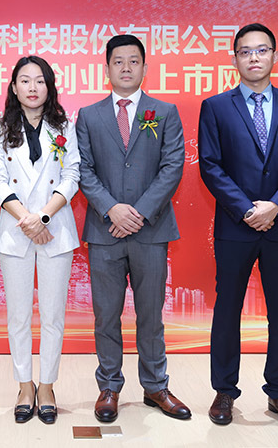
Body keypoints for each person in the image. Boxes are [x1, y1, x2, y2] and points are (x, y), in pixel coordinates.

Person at [198, 23, 278, 430]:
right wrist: (248, 209)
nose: (254, 57)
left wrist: (276, 206)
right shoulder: (216, 107)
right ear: (234, 59)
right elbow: (210, 165)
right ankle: (224, 392)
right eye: (245, 51)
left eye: (262, 50)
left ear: (275, 56)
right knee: (227, 311)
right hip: (236, 226)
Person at [76, 34, 189, 423]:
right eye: (118, 61)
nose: (126, 68)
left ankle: (156, 386)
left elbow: (173, 166)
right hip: (104, 232)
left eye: (133, 61)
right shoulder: (89, 116)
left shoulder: (165, 112)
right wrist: (112, 209)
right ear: (106, 68)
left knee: (151, 315)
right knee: (106, 316)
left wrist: (137, 212)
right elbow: (83, 169)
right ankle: (109, 386)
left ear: (144, 67)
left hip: (151, 230)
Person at [0, 56, 80, 425]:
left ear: (49, 86)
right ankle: (24, 385)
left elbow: (72, 174)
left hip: (55, 228)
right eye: (24, 81)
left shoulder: (64, 126)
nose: (32, 87)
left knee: (53, 315)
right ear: (14, 87)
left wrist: (42, 216)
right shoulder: (1, 130)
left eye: (39, 81)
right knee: (19, 316)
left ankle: (47, 386)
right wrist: (26, 219)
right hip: (16, 231)